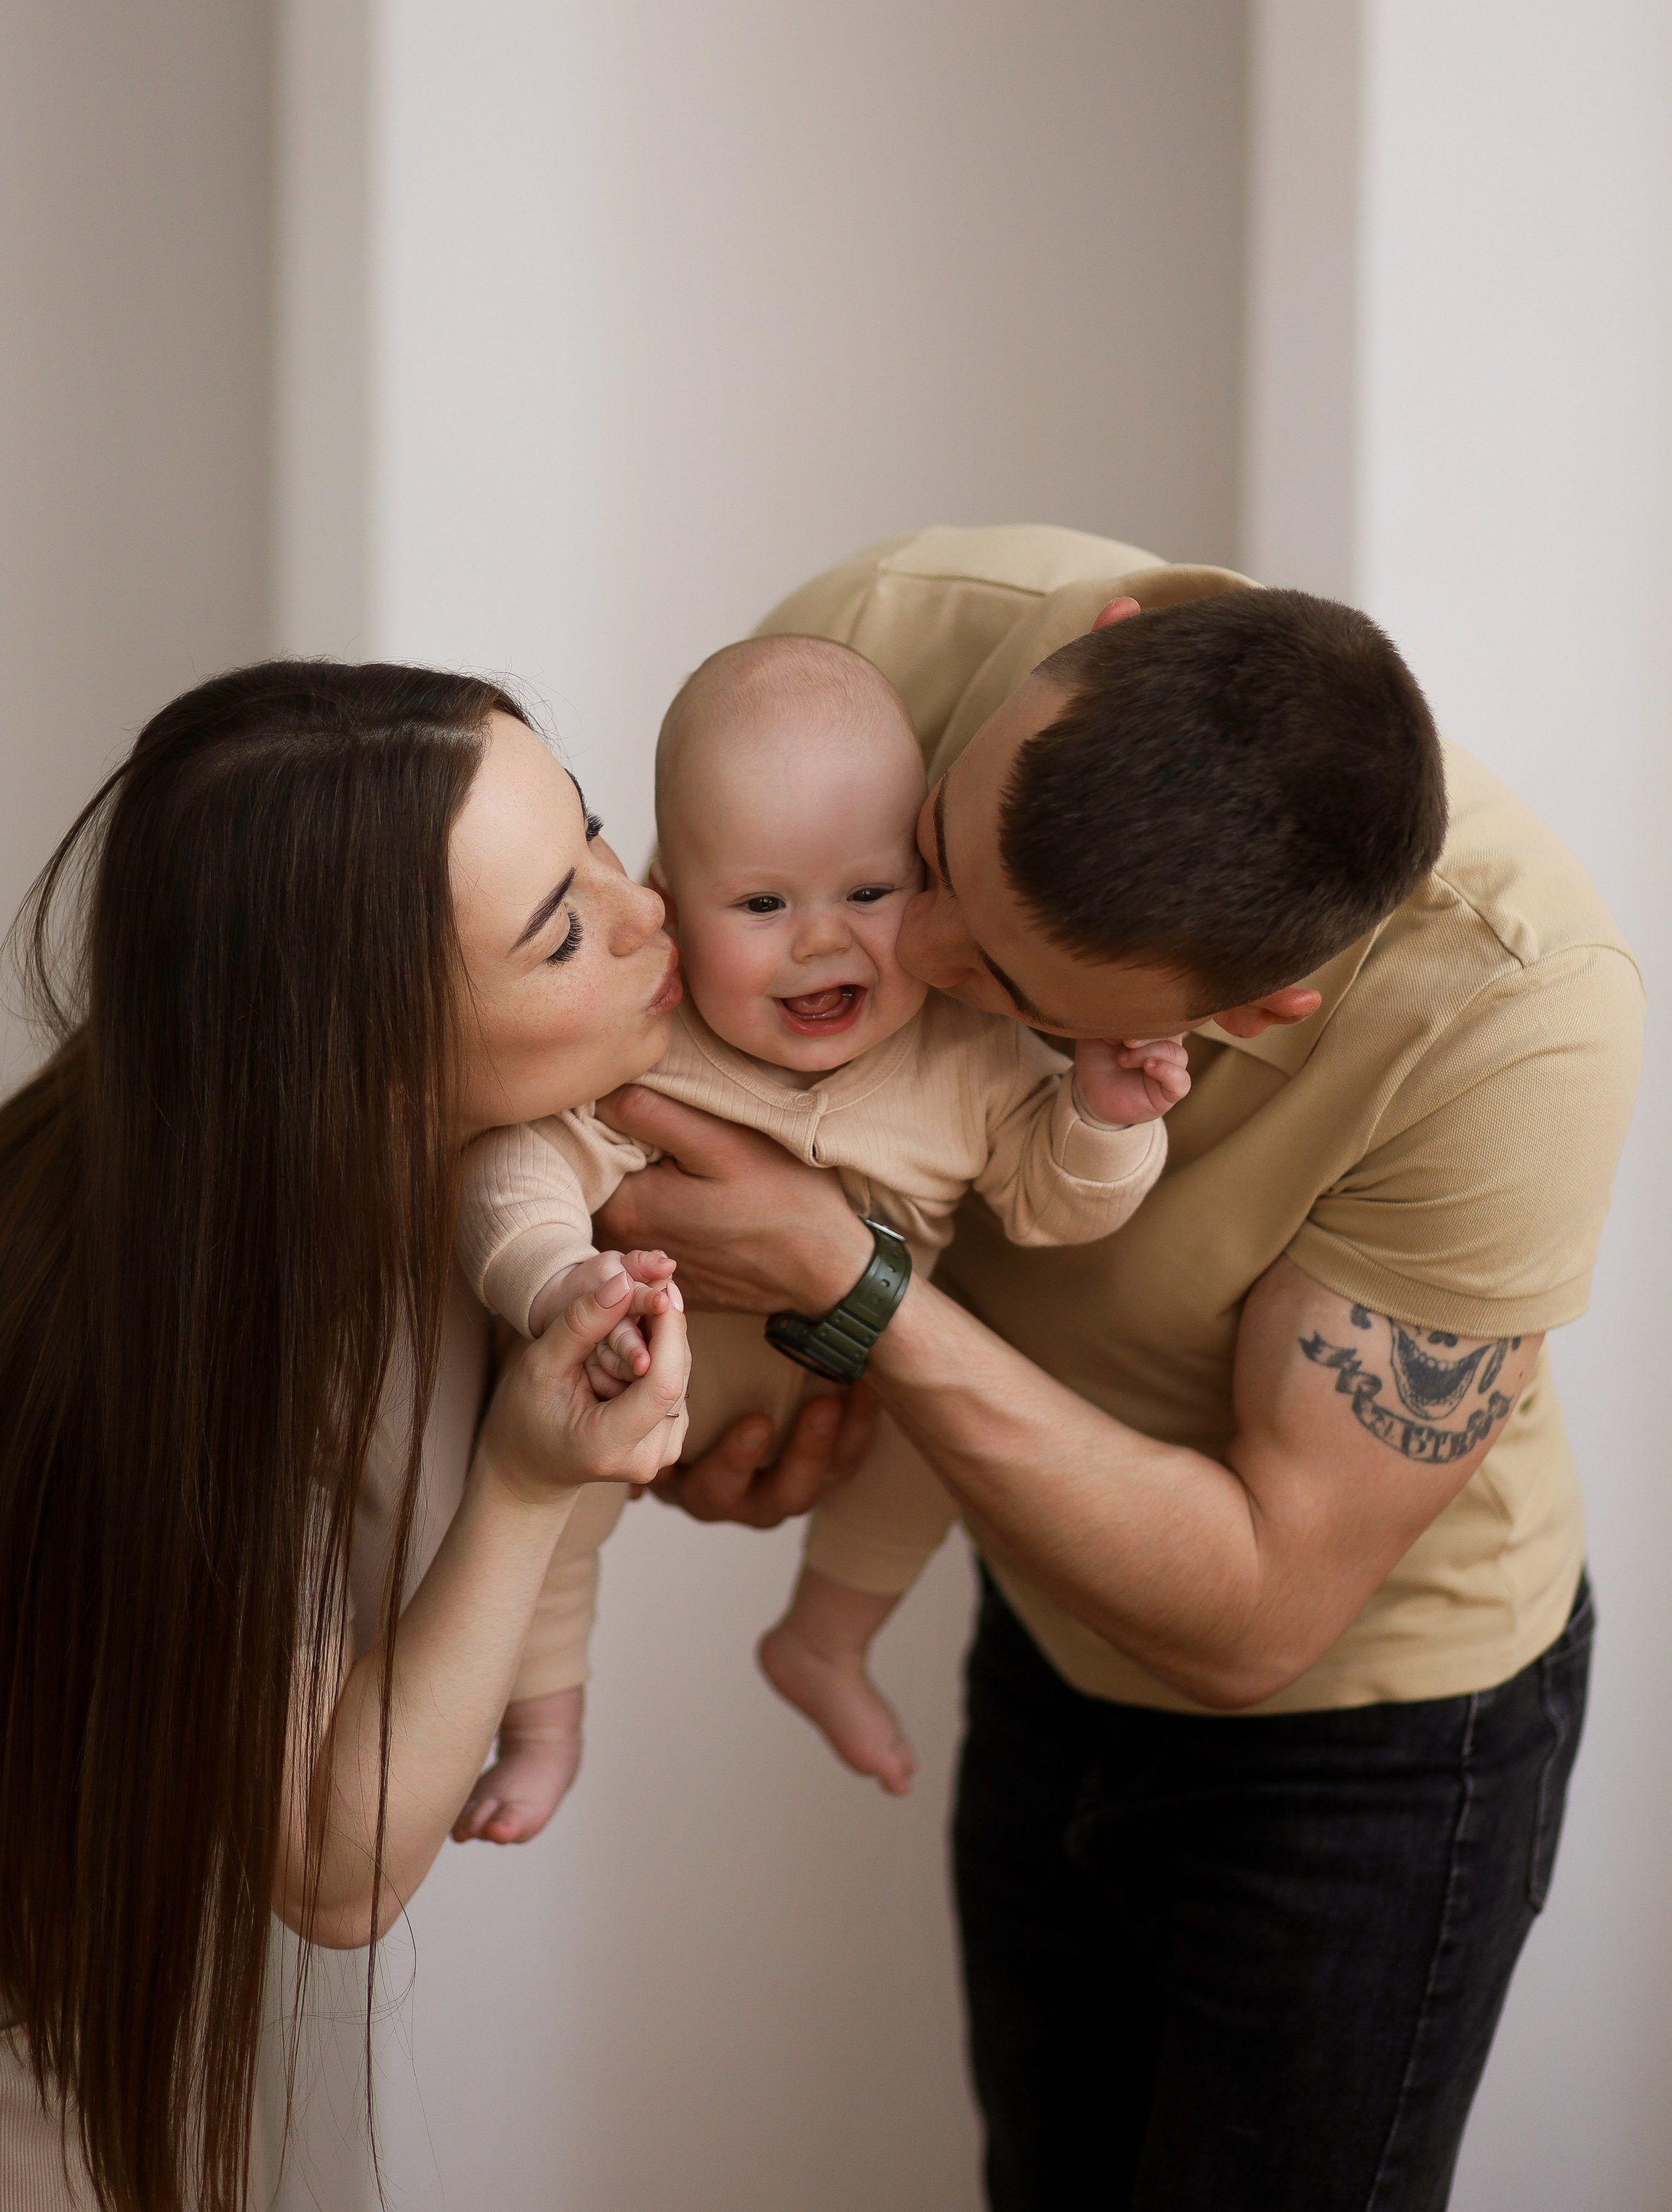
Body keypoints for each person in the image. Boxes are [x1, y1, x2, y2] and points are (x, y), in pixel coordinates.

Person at [595, 524, 1643, 2212]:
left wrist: (849, 1298)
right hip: (1040, 1612)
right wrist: (713, 1392)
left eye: (999, 985)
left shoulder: (1512, 1026)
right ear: (1119, 639)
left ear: (1252, 1017)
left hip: (1366, 1745)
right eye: (932, 853)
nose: (908, 952)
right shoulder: (894, 639)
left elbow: (1259, 1611)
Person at [0, 662, 693, 2212]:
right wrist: (525, 1487)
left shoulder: (399, 1152)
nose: (644, 907)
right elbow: (335, 1865)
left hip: (128, 1929)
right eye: (562, 930)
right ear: (365, 1048)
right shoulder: (124, 1328)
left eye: (590, 838)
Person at [454, 634, 1184, 1841]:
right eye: (761, 904)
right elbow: (512, 1171)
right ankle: (543, 1729)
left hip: (867, 1395)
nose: (823, 941)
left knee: (947, 1449)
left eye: (870, 891)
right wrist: (561, 1283)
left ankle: (825, 1640)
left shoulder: (964, 1053)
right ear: (670, 904)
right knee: (551, 1513)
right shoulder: (652, 1047)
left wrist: (1103, 1115)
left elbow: (1057, 1209)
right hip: (642, 1385)